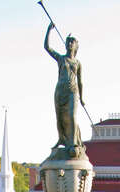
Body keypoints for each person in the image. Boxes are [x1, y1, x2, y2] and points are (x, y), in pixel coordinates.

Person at [44, 22, 84, 156]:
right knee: (60, 118)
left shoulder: (78, 63)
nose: (70, 44)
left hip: (73, 90)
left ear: (76, 46)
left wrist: (82, 98)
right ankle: (62, 139)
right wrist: (49, 30)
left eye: (72, 42)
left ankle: (73, 143)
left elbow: (81, 82)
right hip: (60, 91)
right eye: (68, 42)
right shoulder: (61, 59)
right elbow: (47, 47)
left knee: (72, 116)